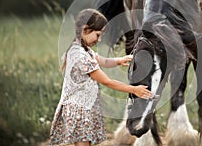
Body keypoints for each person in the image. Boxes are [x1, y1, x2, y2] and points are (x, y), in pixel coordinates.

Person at [50, 8, 153, 146]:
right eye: (97, 35)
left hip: (84, 107)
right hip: (78, 110)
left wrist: (119, 60)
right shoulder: (80, 56)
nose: (98, 40)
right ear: (85, 29)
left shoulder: (83, 49)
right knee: (82, 143)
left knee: (85, 143)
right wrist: (133, 90)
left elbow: (101, 60)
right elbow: (107, 81)